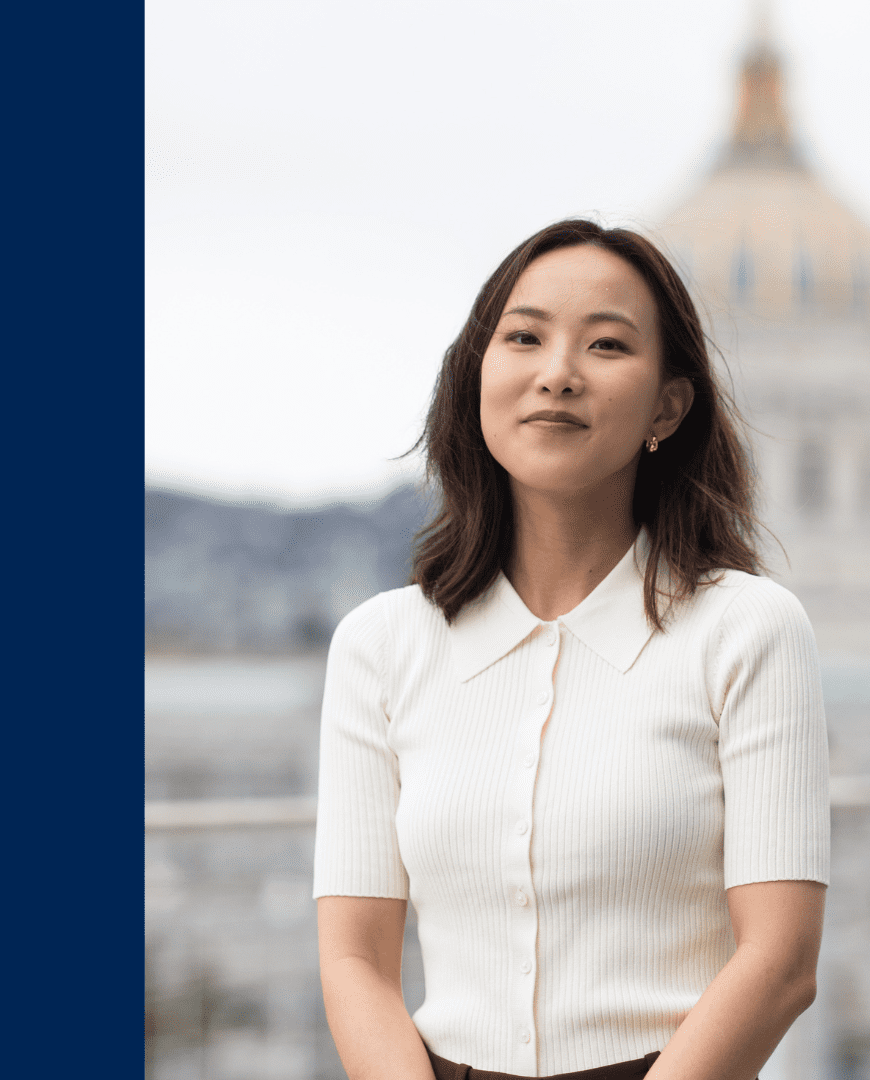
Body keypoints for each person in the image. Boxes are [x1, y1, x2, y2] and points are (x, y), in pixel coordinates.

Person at [313, 219, 829, 1080]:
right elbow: (354, 962)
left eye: (606, 345)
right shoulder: (380, 645)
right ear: (478, 374)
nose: (557, 372)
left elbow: (780, 963)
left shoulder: (749, 632)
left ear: (668, 405)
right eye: (523, 337)